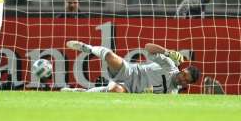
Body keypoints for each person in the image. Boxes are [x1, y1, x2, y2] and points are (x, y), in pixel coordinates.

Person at [65, 40, 201, 93]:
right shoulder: (170, 65)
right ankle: (88, 48)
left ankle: (81, 92)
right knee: (111, 57)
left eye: (186, 80)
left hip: (130, 89)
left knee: (114, 91)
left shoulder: (171, 93)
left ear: (187, 84)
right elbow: (148, 47)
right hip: (130, 71)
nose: (182, 79)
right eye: (184, 74)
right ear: (183, 70)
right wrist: (167, 52)